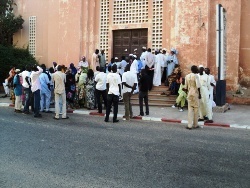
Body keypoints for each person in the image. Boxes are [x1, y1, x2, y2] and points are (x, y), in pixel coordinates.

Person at [184, 65, 201, 129]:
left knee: (190, 109)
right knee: (196, 109)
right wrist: (200, 95)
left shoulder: (187, 76)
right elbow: (198, 86)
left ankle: (189, 125)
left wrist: (187, 93)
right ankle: (195, 124)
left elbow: (185, 87)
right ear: (195, 70)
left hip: (189, 93)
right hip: (195, 93)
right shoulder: (196, 76)